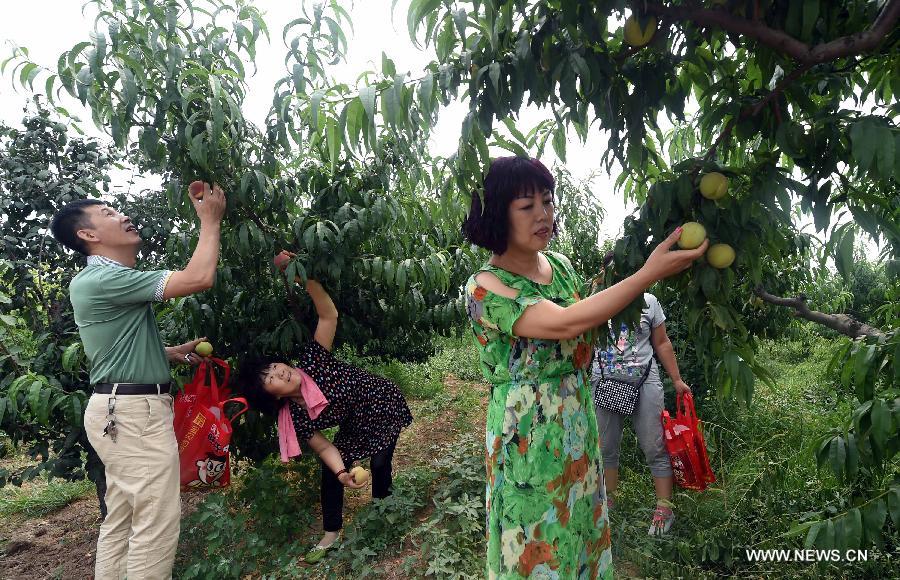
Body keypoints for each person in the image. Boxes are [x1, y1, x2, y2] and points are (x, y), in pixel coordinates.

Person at [462, 156, 707, 579]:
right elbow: (566, 323)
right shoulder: (485, 287)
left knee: (579, 528)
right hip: (529, 431)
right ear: (500, 213)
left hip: (576, 418)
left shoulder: (558, 265)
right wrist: (646, 275)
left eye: (547, 200)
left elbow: (588, 323)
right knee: (534, 536)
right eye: (527, 206)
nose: (544, 213)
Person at [49, 182, 227, 579]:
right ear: (88, 235)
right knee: (155, 521)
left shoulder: (98, 280)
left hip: (118, 409)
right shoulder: (104, 280)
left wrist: (165, 353)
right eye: (109, 214)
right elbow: (198, 278)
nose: (123, 215)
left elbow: (113, 347)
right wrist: (210, 221)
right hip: (134, 415)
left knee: (125, 517)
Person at [236, 273, 412, 564]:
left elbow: (328, 316)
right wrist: (343, 473)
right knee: (331, 470)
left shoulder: (313, 363)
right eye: (269, 379)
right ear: (273, 397)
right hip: (354, 422)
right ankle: (331, 532)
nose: (278, 372)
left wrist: (302, 277)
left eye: (274, 366)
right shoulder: (295, 415)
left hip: (383, 402)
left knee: (380, 463)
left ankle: (382, 510)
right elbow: (325, 448)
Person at [592, 282, 691, 535]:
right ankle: (608, 501)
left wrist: (677, 379)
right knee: (605, 446)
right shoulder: (597, 299)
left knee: (655, 446)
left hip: (644, 380)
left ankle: (664, 508)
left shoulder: (648, 302)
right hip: (603, 381)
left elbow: (662, 341)